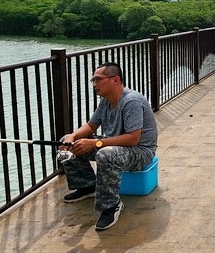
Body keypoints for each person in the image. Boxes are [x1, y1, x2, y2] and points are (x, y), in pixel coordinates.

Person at [57, 61, 158, 230]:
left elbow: (133, 139)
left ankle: (111, 205)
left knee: (106, 154)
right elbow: (91, 126)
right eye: (93, 80)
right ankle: (87, 186)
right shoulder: (106, 101)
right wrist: (72, 137)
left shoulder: (131, 101)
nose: (94, 84)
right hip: (116, 145)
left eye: (98, 80)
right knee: (68, 141)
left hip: (140, 151)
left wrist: (95, 142)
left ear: (115, 80)